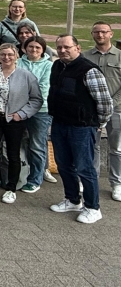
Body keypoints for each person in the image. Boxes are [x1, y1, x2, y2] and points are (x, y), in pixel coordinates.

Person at [49, 35, 114, 224]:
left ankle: (93, 207)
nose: (62, 51)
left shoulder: (88, 70)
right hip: (60, 123)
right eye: (59, 47)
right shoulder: (58, 66)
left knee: (85, 168)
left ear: (77, 48)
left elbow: (104, 102)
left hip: (82, 127)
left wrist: (98, 123)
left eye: (67, 47)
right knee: (63, 164)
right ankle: (72, 199)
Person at [0, 43, 42, 204]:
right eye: (3, 54)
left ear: (16, 56)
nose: (6, 57)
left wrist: (22, 114)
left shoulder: (26, 76)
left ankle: (11, 188)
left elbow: (36, 99)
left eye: (10, 54)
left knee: (13, 154)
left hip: (14, 120)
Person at [85, 22, 121, 202]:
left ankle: (117, 183)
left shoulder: (120, 56)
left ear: (111, 34)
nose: (100, 35)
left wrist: (110, 103)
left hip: (117, 110)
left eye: (104, 32)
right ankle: (92, 180)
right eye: (97, 32)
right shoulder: (85, 56)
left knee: (117, 148)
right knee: (93, 146)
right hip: (92, 110)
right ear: (92, 34)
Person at [17, 34, 54, 194]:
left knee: (37, 146)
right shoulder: (18, 62)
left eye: (38, 47)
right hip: (18, 109)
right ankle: (20, 176)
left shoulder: (48, 66)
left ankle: (35, 179)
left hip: (41, 110)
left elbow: (44, 88)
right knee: (19, 145)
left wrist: (27, 105)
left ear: (43, 50)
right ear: (25, 48)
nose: (34, 50)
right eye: (30, 46)